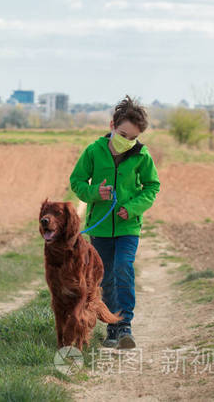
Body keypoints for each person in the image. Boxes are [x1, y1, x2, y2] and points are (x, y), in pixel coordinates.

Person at [69, 95, 160, 349]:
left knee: (123, 267)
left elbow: (152, 186)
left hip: (128, 227)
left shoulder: (141, 155)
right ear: (112, 125)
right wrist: (95, 192)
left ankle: (125, 326)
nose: (128, 141)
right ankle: (112, 327)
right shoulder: (93, 151)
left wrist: (131, 209)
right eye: (123, 134)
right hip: (99, 227)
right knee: (105, 278)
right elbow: (77, 181)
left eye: (133, 138)